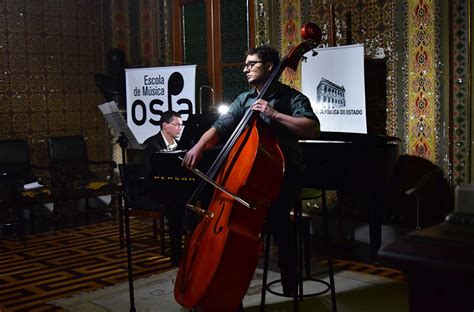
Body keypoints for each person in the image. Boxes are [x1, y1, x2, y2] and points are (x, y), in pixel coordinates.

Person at [181, 45, 320, 295]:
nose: (245, 69)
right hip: (251, 176)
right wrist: (199, 147)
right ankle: (227, 283)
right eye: (245, 64)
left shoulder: (291, 98)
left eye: (251, 64)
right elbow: (221, 126)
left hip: (284, 173)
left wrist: (274, 113)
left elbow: (311, 128)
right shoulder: (244, 99)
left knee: (278, 221)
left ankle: (290, 281)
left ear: (269, 66)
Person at [143, 110, 187, 266]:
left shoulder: (180, 145)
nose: (180, 128)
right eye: (177, 125)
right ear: (165, 126)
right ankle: (177, 255)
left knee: (188, 201)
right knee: (176, 206)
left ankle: (194, 248)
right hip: (156, 190)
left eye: (182, 125)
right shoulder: (152, 145)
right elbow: (150, 175)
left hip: (174, 187)